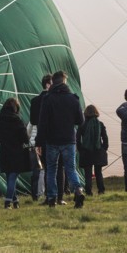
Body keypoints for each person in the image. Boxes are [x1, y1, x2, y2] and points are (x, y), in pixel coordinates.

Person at [36, 71, 86, 208]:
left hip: (52, 140)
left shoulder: (48, 99)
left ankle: (51, 198)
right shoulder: (73, 99)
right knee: (71, 169)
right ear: (64, 81)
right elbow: (80, 121)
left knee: (51, 169)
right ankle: (78, 190)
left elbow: (42, 123)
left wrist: (38, 142)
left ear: (53, 81)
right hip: (69, 140)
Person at [0, 98, 30, 209]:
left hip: (5, 152)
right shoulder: (17, 120)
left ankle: (15, 201)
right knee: (13, 177)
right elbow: (25, 139)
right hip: (17, 153)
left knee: (10, 177)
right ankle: (8, 201)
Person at [26, 74, 53, 201]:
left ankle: (36, 194)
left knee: (37, 169)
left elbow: (31, 122)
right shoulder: (52, 100)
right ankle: (49, 193)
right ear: (48, 84)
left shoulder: (34, 101)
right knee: (50, 168)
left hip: (34, 139)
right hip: (49, 139)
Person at [77, 104, 109, 196]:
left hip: (86, 152)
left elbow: (78, 139)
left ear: (86, 113)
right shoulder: (100, 124)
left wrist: (80, 149)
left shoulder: (82, 125)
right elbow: (105, 138)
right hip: (98, 151)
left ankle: (88, 191)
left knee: (88, 173)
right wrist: (104, 148)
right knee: (98, 172)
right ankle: (101, 190)